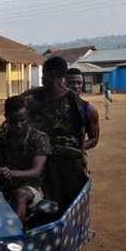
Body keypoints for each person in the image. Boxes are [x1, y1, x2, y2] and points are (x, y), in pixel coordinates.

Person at [23, 57, 99, 210]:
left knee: (70, 209)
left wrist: (78, 148)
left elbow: (94, 139)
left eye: (43, 75)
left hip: (70, 171)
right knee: (39, 210)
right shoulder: (32, 99)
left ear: (51, 75)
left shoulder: (84, 108)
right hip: (38, 168)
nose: (42, 79)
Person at [0, 95, 51, 219]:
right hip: (2, 188)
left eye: (22, 120)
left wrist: (12, 173)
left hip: (31, 189)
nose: (18, 125)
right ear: (6, 117)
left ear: (28, 117)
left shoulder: (39, 138)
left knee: (20, 194)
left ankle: (17, 230)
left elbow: (36, 172)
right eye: (13, 121)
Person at [65, 68, 100, 149]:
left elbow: (94, 139)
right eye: (71, 83)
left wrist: (76, 149)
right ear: (63, 83)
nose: (76, 86)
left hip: (75, 156)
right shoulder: (51, 106)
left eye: (79, 83)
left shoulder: (89, 110)